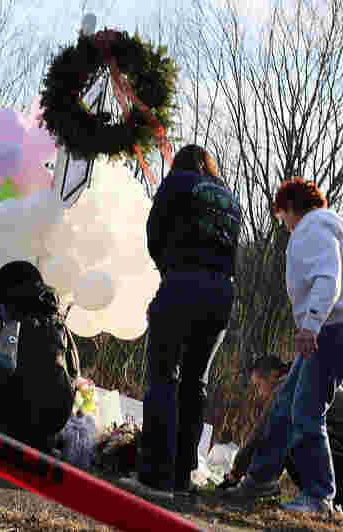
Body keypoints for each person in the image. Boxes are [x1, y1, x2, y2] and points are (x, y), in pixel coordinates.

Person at [223, 177, 343, 517]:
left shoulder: (313, 225)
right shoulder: (327, 225)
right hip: (337, 325)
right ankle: (260, 479)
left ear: (290, 208)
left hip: (335, 328)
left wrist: (310, 324)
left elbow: (327, 277)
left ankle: (320, 496)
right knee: (285, 404)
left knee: (306, 409)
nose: (285, 227)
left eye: (282, 218)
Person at [124, 144, 241, 498]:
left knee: (163, 377)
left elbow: (154, 233)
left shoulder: (177, 183)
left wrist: (169, 270)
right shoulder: (229, 199)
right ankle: (180, 476)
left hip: (181, 284)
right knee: (195, 383)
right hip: (221, 294)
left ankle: (154, 476)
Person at [220, 355, 343, 519]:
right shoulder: (305, 379)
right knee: (340, 505)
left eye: (258, 385)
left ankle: (264, 487)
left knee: (284, 436)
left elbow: (261, 435)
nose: (259, 394)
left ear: (273, 375)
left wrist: (235, 474)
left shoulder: (287, 385)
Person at [0, 261, 80, 452]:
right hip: (49, 427)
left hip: (9, 423)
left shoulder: (3, 317)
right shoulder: (58, 326)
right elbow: (73, 378)